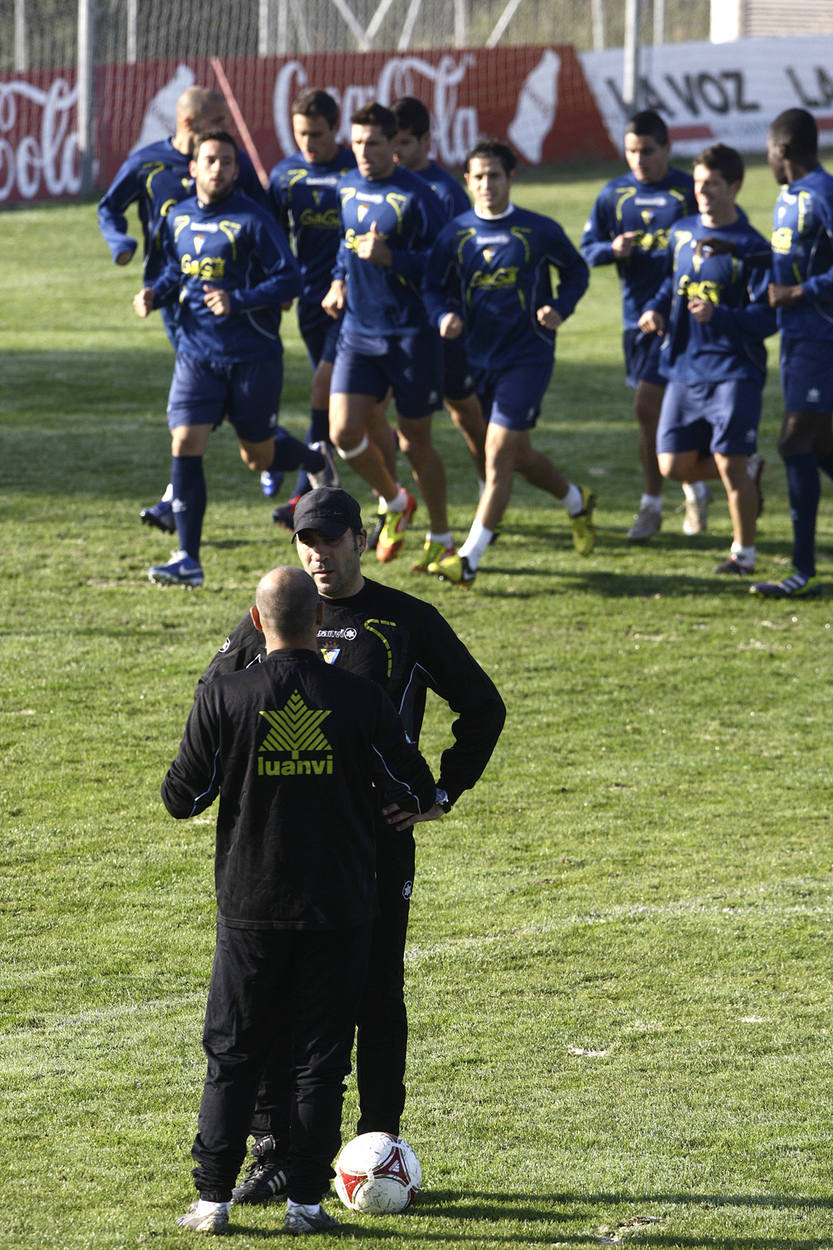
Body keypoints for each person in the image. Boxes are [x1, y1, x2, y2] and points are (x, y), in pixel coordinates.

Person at [197, 486, 505, 1206]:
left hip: (371, 850)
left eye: (331, 539)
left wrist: (440, 796)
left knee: (374, 994)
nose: (318, 553)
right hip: (277, 855)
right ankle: (275, 1152)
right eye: (307, 540)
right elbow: (212, 707)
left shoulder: (404, 621)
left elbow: (482, 707)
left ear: (361, 539)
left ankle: (377, 1143)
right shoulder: (267, 621)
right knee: (272, 1003)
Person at [163, 565, 435, 1236]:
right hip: (339, 905)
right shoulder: (361, 698)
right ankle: (306, 1205)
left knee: (233, 1053)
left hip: (251, 902)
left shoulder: (223, 697)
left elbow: (181, 798)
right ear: (320, 623)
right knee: (321, 1059)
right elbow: (413, 783)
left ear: (256, 623)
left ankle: (212, 1200)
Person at [134, 131, 336, 588]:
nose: (219, 169)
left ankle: (313, 458)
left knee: (258, 456)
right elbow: (174, 269)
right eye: (211, 160)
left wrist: (238, 299)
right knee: (185, 441)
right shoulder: (178, 217)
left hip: (252, 356)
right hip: (196, 355)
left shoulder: (254, 220)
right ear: (194, 167)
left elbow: (290, 281)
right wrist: (154, 293)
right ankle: (188, 558)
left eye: (228, 161)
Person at [97, 85, 269, 534]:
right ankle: (274, 455)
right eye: (219, 123)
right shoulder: (148, 162)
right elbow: (108, 207)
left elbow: (262, 217)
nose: (226, 133)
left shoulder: (232, 165)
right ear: (191, 125)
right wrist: (123, 243)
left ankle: (184, 495)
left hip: (219, 300)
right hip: (169, 295)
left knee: (204, 400)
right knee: (203, 401)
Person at [423, 138, 593, 588]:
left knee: (496, 453)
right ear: (467, 181)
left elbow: (577, 270)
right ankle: (577, 500)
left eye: (494, 175)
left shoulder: (537, 230)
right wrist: (443, 315)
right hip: (479, 357)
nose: (486, 184)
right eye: (477, 176)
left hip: (529, 354)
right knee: (516, 455)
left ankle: (469, 557)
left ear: (511, 178)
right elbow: (432, 286)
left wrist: (560, 307)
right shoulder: (455, 233)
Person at [638, 143, 776, 577]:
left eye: (713, 184)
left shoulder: (752, 248)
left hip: (734, 370)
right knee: (672, 464)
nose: (703, 192)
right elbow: (669, 284)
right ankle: (749, 471)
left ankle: (744, 554)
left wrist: (721, 316)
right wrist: (656, 309)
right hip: (683, 366)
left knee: (728, 464)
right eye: (698, 183)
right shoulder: (682, 232)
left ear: (734, 186)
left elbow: (767, 318)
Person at [322, 101, 451, 564]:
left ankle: (441, 537)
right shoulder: (347, 186)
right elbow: (346, 241)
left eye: (372, 143)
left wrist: (393, 257)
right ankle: (396, 501)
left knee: (416, 441)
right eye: (355, 142)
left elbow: (444, 263)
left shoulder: (419, 195)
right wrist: (339, 280)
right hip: (359, 328)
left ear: (393, 144)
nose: (361, 151)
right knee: (343, 432)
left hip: (411, 334)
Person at [581, 109, 706, 541]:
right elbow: (587, 250)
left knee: (653, 409)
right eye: (632, 151)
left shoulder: (690, 190)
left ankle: (654, 504)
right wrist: (611, 249)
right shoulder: (614, 194)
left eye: (648, 151)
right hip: (637, 320)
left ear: (667, 149)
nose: (639, 159)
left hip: (686, 317)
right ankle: (694, 488)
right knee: (651, 414)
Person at [391, 94, 487, 567]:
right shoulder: (382, 182)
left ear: (426, 141)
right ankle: (396, 503)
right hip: (392, 328)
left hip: (440, 326)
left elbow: (455, 260)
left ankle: (491, 489)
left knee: (463, 411)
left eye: (404, 143)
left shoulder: (444, 192)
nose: (396, 153)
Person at [749, 108, 833, 599]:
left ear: (781, 150)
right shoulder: (787, 198)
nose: (765, 157)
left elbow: (803, 280)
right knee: (821, 449)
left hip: (821, 338)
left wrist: (799, 294)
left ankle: (804, 571)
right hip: (796, 339)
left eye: (767, 149)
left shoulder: (823, 193)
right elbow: (787, 261)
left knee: (794, 445)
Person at [265, 88, 356, 514]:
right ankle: (383, 473)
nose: (308, 142)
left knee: (323, 389)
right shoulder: (285, 176)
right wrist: (281, 281)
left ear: (335, 129)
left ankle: (305, 492)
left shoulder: (356, 170)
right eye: (301, 133)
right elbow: (273, 235)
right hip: (308, 299)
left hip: (353, 300)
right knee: (339, 404)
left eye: (317, 133)